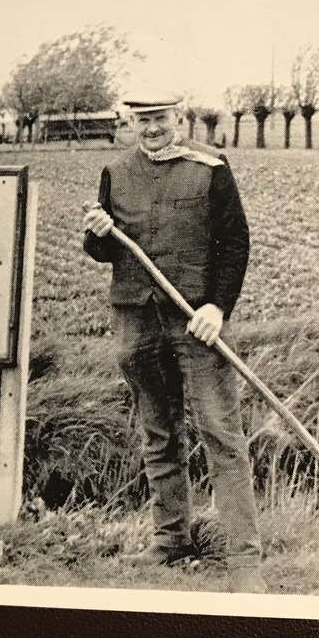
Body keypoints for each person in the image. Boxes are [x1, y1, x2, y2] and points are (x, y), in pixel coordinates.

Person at [82, 92, 266, 594]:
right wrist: (97, 232)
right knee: (158, 432)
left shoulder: (210, 168)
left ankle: (244, 561)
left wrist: (217, 307)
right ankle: (170, 542)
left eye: (160, 119)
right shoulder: (115, 172)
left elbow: (236, 243)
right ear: (131, 123)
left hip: (195, 320)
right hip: (135, 319)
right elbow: (102, 251)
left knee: (220, 434)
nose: (152, 129)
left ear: (178, 119)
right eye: (142, 121)